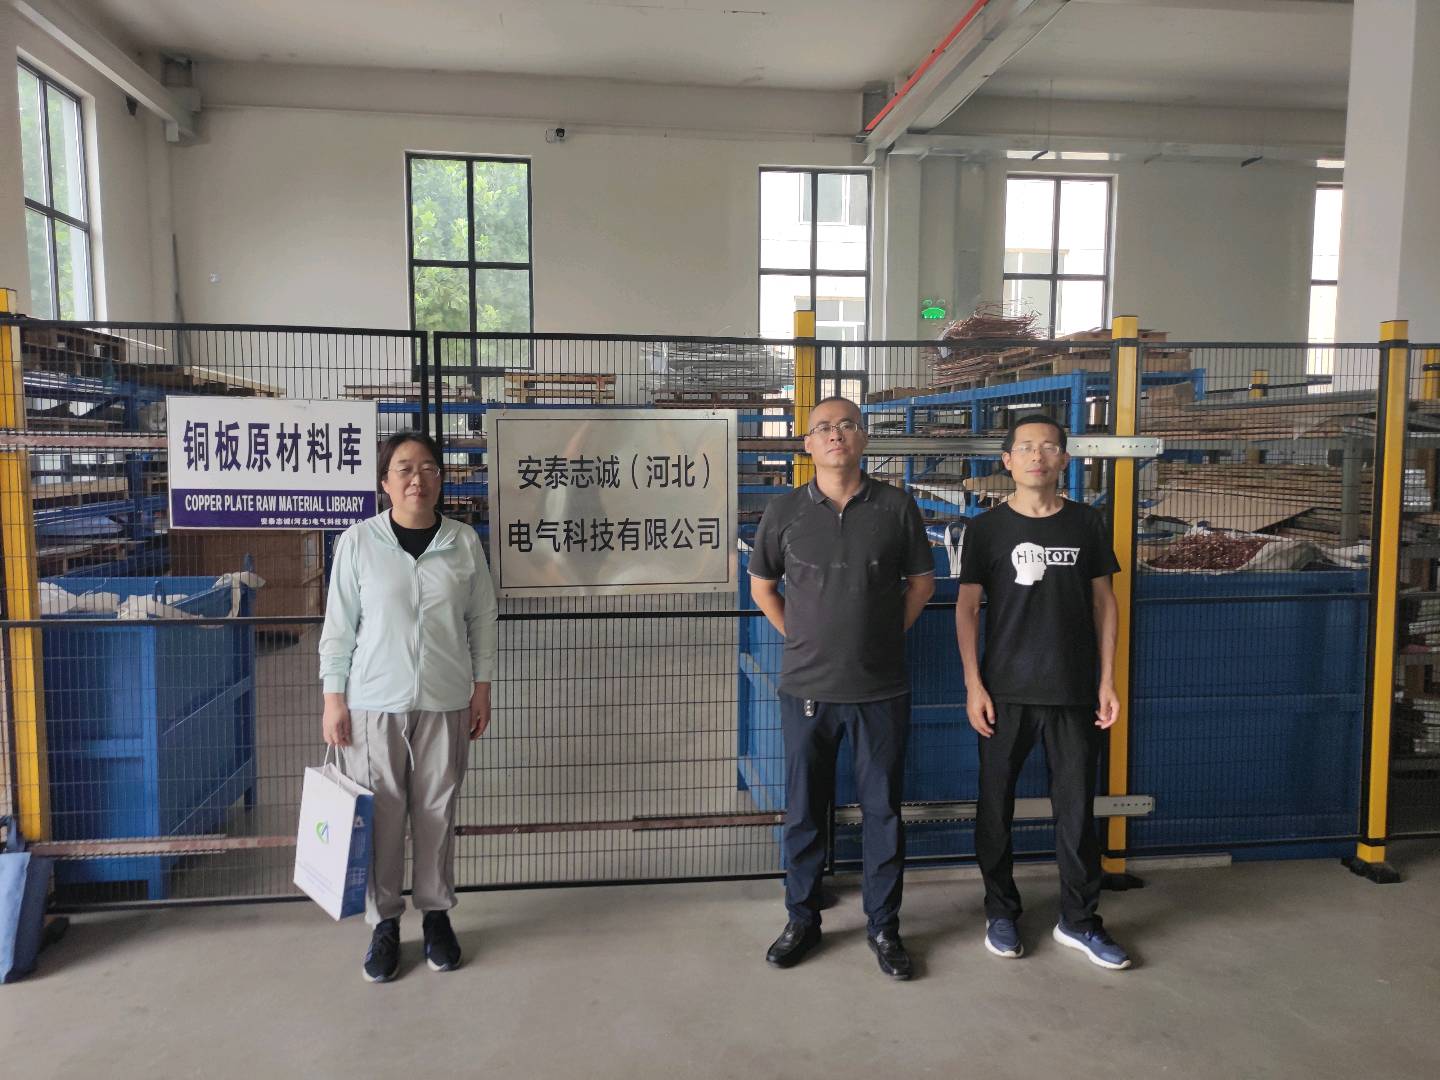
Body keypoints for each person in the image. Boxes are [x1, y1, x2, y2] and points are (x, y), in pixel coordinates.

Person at [748, 396, 936, 980]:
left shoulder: (896, 507)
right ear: (807, 443)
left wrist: (883, 637)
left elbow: (922, 584)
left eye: (848, 425)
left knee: (883, 812)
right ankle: (802, 919)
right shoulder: (784, 511)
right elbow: (762, 587)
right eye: (824, 428)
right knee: (805, 811)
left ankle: (884, 926)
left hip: (881, 689)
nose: (836, 435)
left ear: (864, 438)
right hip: (807, 687)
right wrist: (803, 637)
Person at [319, 431, 498, 983]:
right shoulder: (358, 542)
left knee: (437, 809)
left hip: (445, 697)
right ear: (384, 482)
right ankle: (385, 922)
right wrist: (333, 697)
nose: (416, 478)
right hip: (374, 702)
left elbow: (481, 618)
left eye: (427, 468)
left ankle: (437, 914)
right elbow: (339, 626)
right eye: (403, 468)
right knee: (384, 815)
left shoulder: (462, 542)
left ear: (441, 479)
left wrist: (482, 687)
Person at [954, 413, 1131, 970]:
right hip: (1004, 692)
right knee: (995, 809)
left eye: (1049, 447)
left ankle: (1079, 920)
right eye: (1026, 447)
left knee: (1076, 813)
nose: (1038, 456)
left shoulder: (1086, 523)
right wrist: (973, 684)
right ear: (1007, 461)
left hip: (1073, 691)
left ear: (1064, 460)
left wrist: (1106, 679)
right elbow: (966, 609)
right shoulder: (986, 530)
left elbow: (1105, 602)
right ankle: (1001, 912)